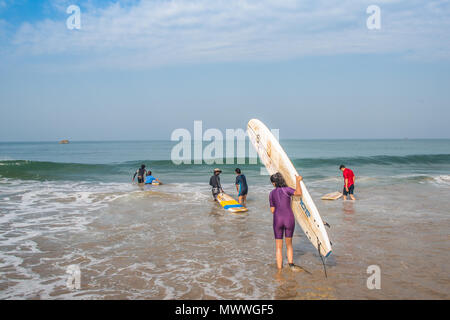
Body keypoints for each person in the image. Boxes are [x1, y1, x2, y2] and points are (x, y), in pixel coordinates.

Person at [269, 173, 303, 271]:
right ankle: (291, 265)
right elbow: (298, 193)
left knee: (278, 248)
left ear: (274, 183)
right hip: (289, 219)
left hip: (277, 220)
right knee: (289, 245)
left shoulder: (271, 193)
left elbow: (272, 210)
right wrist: (298, 180)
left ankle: (279, 270)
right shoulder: (287, 190)